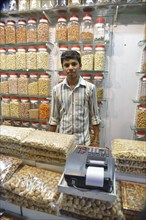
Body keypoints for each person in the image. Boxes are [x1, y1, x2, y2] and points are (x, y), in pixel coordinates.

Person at [49, 50, 101, 146]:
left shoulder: (90, 88)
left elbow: (95, 117)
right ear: (63, 68)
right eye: (67, 65)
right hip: (63, 141)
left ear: (80, 65)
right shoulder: (57, 89)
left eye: (74, 64)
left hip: (83, 141)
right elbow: (54, 118)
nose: (70, 68)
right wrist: (50, 142)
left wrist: (96, 141)